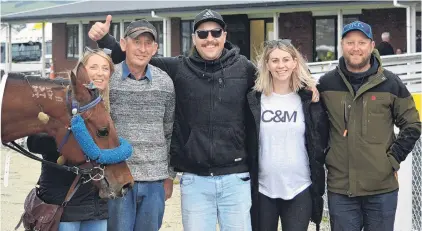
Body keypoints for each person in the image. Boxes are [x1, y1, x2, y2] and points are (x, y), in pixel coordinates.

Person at [89, 10, 318, 231]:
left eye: (215, 33)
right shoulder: (179, 69)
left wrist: (307, 88)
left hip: (235, 179)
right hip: (195, 180)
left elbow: (279, 76)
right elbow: (138, 58)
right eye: (203, 34)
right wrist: (105, 40)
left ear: (224, 36)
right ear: (195, 38)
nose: (210, 39)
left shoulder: (244, 68)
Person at [318, 21, 421, 231]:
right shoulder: (327, 84)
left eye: (361, 42)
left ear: (372, 45)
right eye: (350, 42)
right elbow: (315, 126)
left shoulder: (390, 83)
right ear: (341, 44)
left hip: (381, 189)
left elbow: (412, 124)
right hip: (341, 190)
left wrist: (391, 160)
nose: (356, 48)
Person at [26, 48, 115, 231]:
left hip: (97, 202)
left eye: (105, 68)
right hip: (62, 199)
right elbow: (33, 142)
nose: (100, 73)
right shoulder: (59, 99)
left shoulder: (109, 108)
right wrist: (69, 139)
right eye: (94, 67)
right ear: (81, 72)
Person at [246, 39, 328, 231]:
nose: (280, 65)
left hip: (300, 187)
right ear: (267, 64)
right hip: (263, 188)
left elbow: (320, 139)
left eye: (285, 60)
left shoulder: (309, 99)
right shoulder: (254, 99)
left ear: (294, 62)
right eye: (274, 60)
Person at [103, 20, 175, 231]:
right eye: (137, 42)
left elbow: (169, 131)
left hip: (155, 181)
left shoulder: (165, 82)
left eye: (148, 43)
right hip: (117, 177)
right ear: (124, 44)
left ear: (155, 48)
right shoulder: (108, 78)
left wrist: (169, 175)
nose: (142, 49)